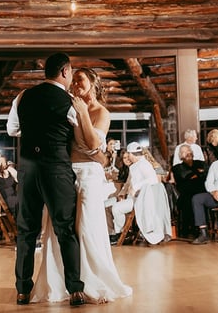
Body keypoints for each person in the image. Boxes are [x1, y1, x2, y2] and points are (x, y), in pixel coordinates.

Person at [33, 66, 131, 304]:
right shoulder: (68, 109)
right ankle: (64, 285)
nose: (76, 85)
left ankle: (92, 283)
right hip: (65, 172)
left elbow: (91, 142)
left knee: (86, 227)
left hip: (89, 175)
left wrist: (83, 114)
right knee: (60, 229)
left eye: (81, 81)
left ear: (93, 83)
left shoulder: (101, 112)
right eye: (73, 81)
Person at [6, 52, 85, 307]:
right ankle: (75, 289)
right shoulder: (70, 102)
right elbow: (78, 136)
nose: (71, 77)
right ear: (64, 71)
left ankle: (21, 291)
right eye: (71, 72)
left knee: (26, 232)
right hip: (57, 170)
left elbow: (12, 130)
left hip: (28, 170)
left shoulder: (22, 97)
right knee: (65, 230)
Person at [171, 143, 207, 238]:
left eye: (188, 151)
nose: (187, 153)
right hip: (186, 195)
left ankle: (202, 229)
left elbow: (206, 175)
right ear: (180, 156)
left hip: (202, 192)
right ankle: (191, 230)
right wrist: (198, 174)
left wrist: (196, 175)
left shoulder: (201, 163)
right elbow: (185, 176)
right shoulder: (177, 168)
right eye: (184, 152)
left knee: (200, 197)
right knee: (189, 199)